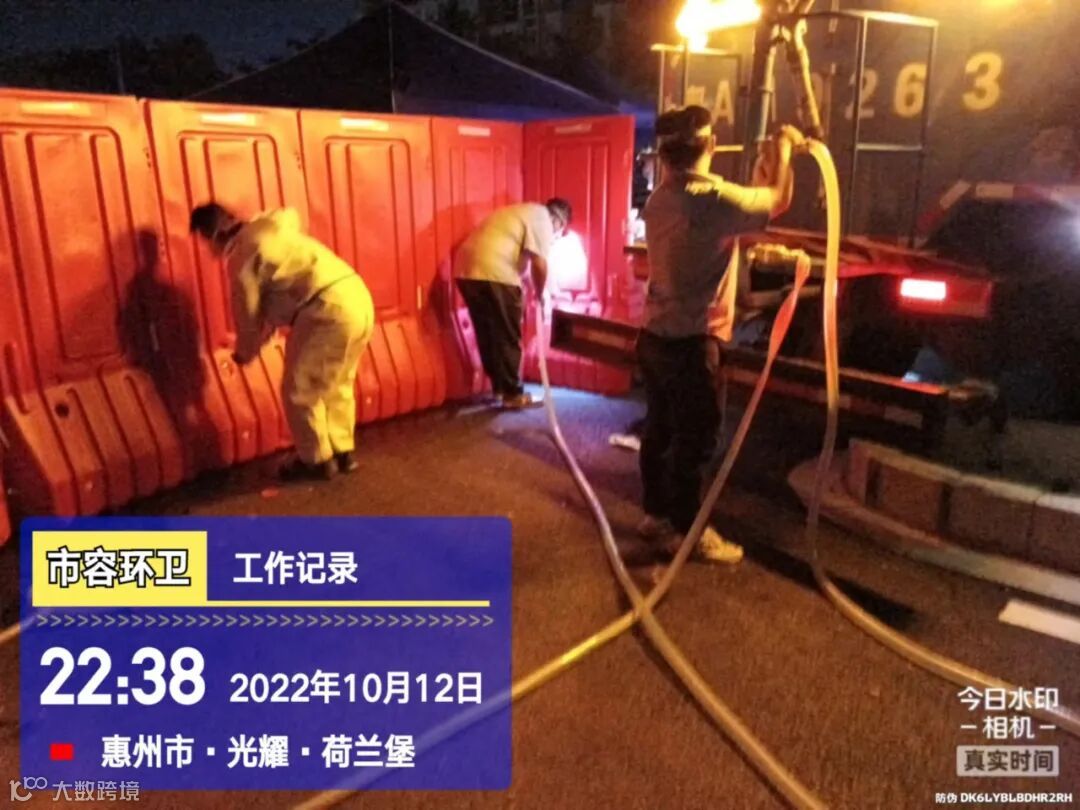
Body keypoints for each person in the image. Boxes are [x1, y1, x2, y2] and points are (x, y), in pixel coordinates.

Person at [637, 105, 803, 563]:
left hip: (654, 336)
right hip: (691, 344)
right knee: (695, 441)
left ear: (664, 156)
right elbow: (777, 200)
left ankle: (656, 515)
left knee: (660, 430)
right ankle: (687, 532)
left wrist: (767, 166)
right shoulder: (712, 199)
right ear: (711, 145)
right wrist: (784, 149)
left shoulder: (662, 198)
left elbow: (743, 208)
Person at [189, 203, 375, 481]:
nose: (207, 249)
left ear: (212, 235)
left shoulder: (242, 258)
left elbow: (248, 314)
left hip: (325, 308)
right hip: (356, 295)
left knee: (299, 389)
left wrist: (245, 352)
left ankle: (316, 460)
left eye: (204, 241)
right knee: (337, 382)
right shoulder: (272, 227)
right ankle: (341, 451)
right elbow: (272, 307)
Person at [454, 198, 572, 408]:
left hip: (465, 269)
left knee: (488, 333)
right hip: (496, 271)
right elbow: (539, 263)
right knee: (509, 333)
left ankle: (500, 389)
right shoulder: (543, 218)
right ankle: (512, 394)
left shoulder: (521, 213)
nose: (554, 238)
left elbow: (521, 262)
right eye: (558, 233)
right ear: (558, 221)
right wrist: (540, 294)